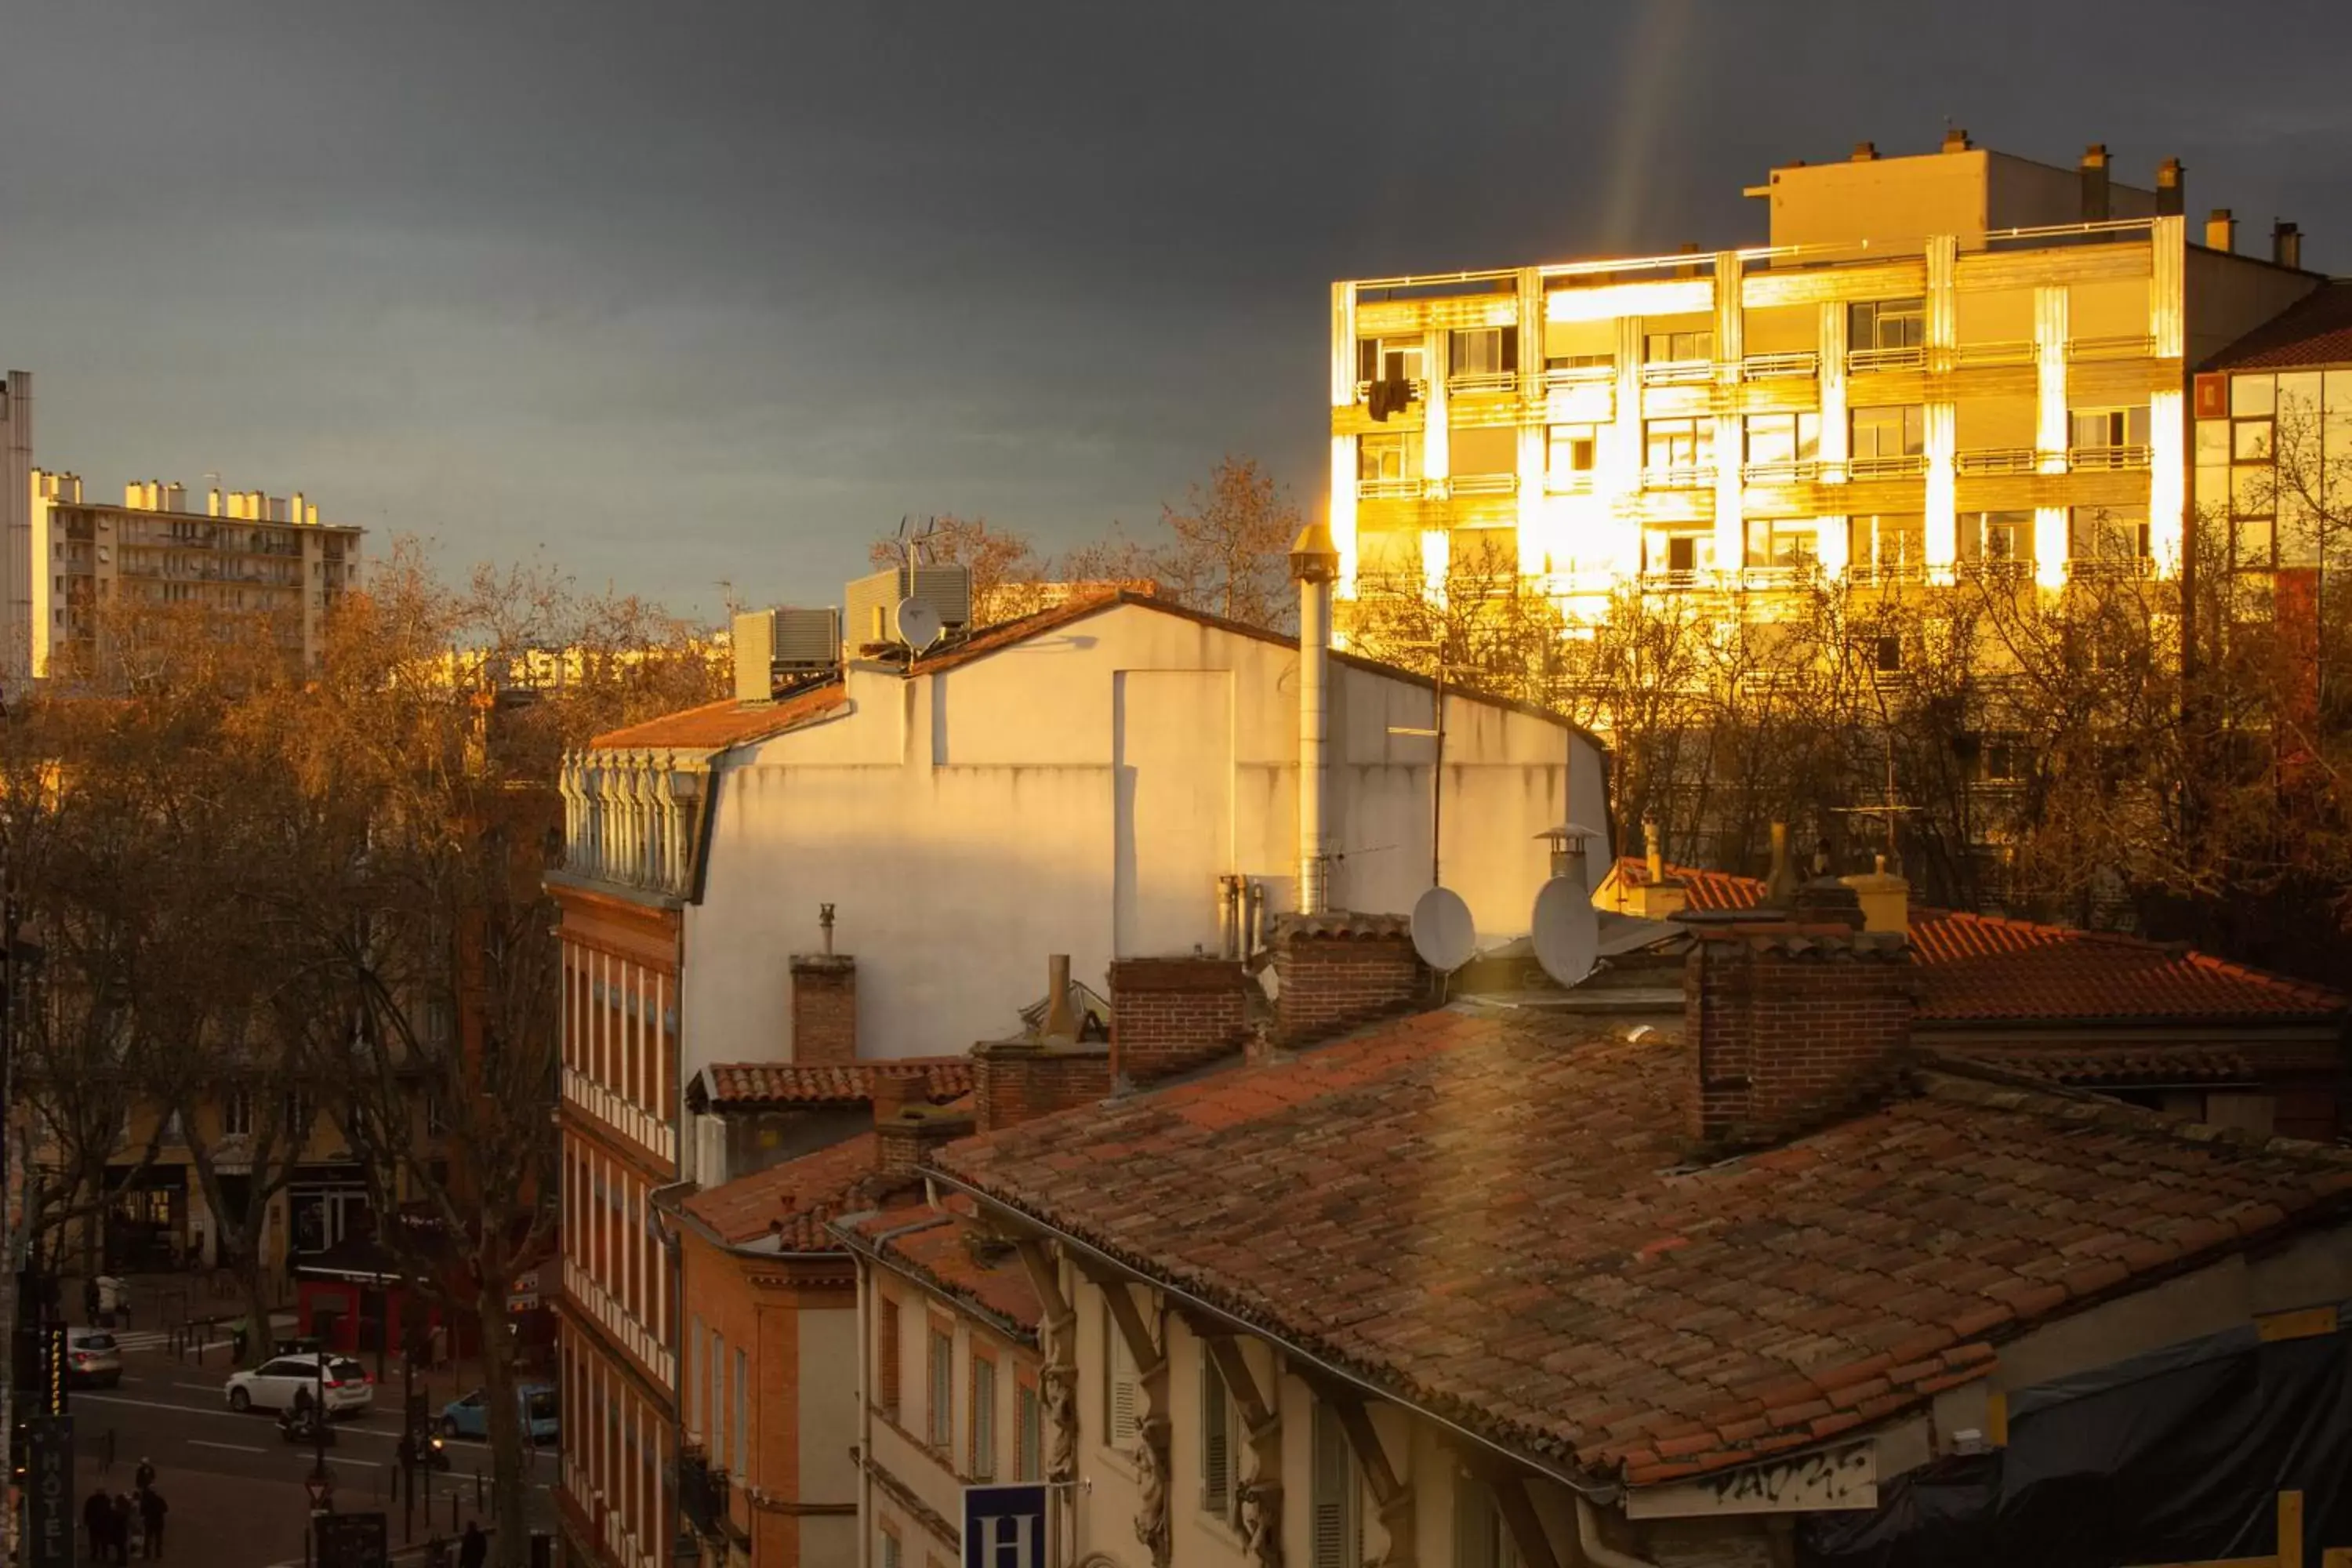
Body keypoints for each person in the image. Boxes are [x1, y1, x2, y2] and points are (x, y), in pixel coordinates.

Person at [82, 1486, 112, 1563]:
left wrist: (87, 1521)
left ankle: (97, 1554)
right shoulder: (106, 1500)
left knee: (98, 1540)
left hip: (98, 1523)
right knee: (99, 1540)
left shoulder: (92, 1500)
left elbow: (87, 1511)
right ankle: (100, 1554)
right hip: (100, 1523)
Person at [137, 1488, 166, 1560]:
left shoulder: (145, 1501)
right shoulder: (159, 1499)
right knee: (158, 1539)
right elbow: (165, 1509)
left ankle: (147, 1554)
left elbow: (142, 1512)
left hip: (149, 1522)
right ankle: (158, 1554)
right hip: (158, 1522)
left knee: (148, 1538)